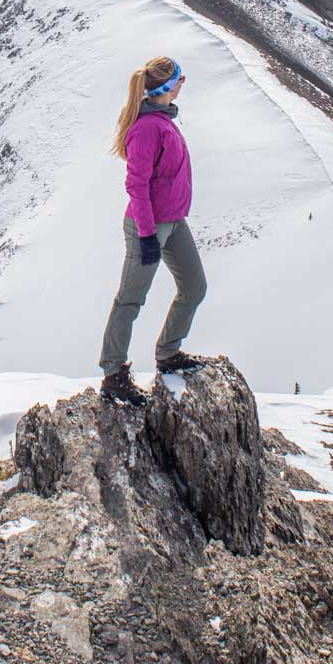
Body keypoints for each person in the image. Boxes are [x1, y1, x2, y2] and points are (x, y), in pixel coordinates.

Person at [98, 56, 207, 406]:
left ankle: (168, 352)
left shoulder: (162, 119)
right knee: (130, 298)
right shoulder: (147, 129)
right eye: (178, 79)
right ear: (164, 88)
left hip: (173, 222)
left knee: (194, 286)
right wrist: (146, 234)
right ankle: (114, 373)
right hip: (150, 226)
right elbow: (137, 185)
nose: (182, 84)